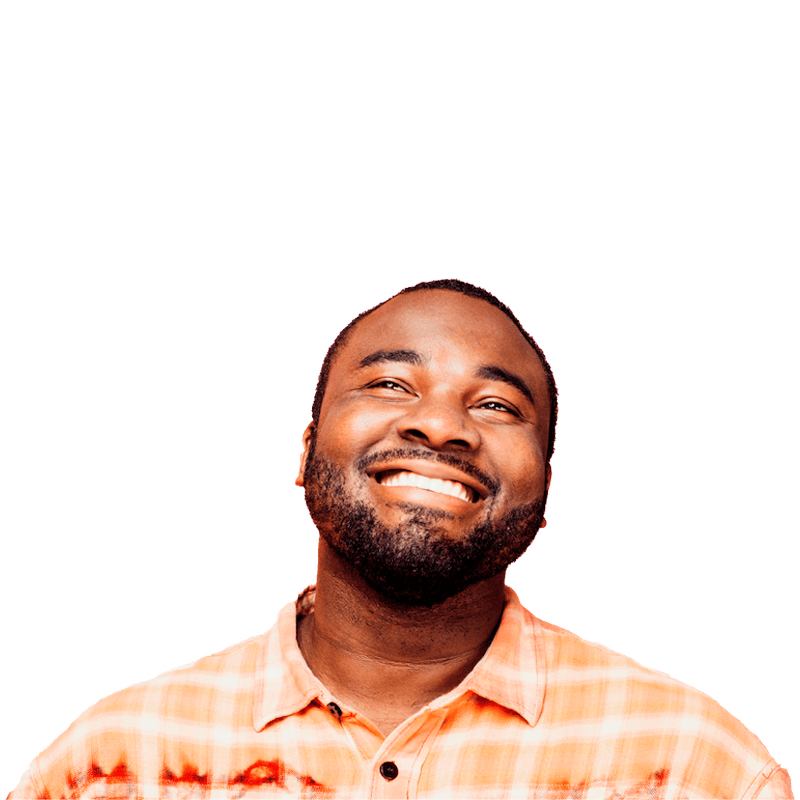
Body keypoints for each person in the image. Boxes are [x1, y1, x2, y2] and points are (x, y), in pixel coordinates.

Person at [7, 278, 793, 799]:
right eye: (390, 384)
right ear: (306, 452)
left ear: (545, 492)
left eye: (497, 405)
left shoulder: (693, 766)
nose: (440, 425)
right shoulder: (117, 764)